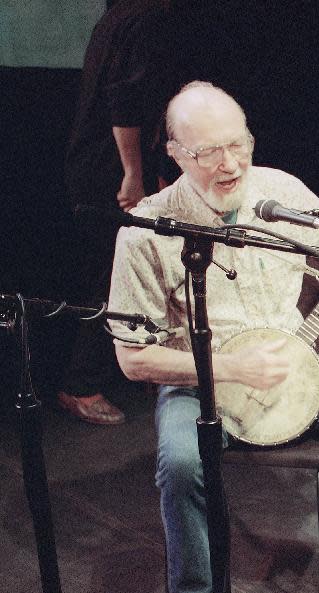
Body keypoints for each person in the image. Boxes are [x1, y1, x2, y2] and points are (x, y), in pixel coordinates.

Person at [106, 81, 319, 593]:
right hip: (200, 386)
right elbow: (132, 360)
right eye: (209, 152)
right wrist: (232, 369)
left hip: (291, 374)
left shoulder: (280, 191)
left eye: (238, 143)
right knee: (181, 461)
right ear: (176, 154)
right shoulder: (145, 231)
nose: (230, 164)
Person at [59, 0, 175, 424]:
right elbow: (123, 99)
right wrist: (133, 175)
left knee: (145, 265)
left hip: (103, 165)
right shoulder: (146, 17)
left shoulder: (122, 14)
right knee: (111, 276)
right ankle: (80, 386)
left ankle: (146, 363)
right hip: (107, 170)